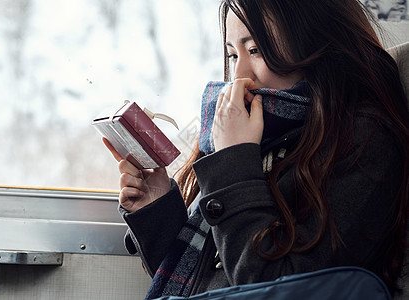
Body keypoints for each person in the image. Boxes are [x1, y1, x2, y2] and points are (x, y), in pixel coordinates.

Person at [102, 0, 409, 298]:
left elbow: (268, 286)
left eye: (255, 50)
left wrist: (233, 160)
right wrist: (156, 208)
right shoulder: (253, 134)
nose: (239, 76)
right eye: (233, 55)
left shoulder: (363, 139)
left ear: (316, 45)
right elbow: (202, 280)